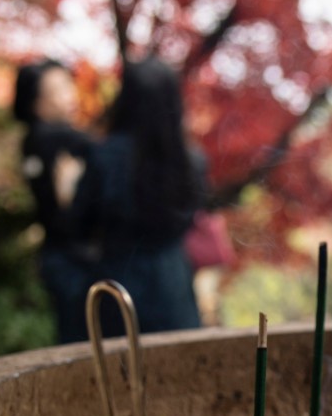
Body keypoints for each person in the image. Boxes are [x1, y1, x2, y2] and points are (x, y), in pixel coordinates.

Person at [72, 58, 204, 336]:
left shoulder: (105, 157)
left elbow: (79, 224)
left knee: (119, 370)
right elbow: (191, 217)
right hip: (173, 284)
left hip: (117, 282)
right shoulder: (191, 161)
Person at [13, 59, 98, 343]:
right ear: (37, 104)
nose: (70, 95)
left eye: (68, 85)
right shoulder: (51, 137)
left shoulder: (35, 140)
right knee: (86, 343)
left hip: (62, 256)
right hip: (74, 258)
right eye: (59, 89)